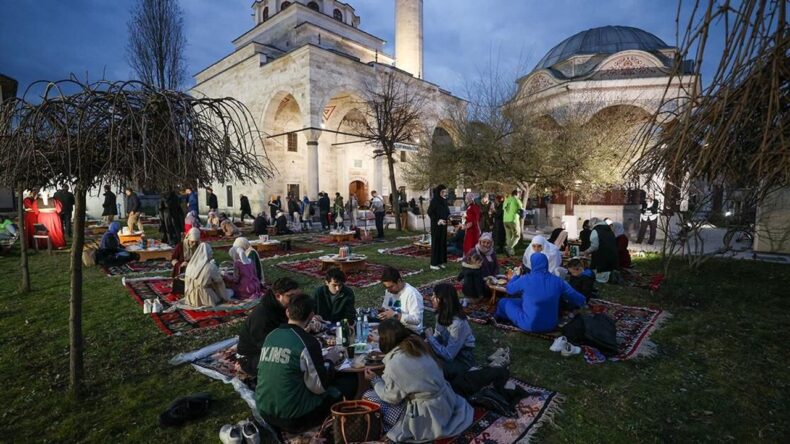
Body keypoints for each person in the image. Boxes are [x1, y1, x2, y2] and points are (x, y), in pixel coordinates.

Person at [256, 294, 357, 433]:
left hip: (264, 411)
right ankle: (349, 422)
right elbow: (319, 387)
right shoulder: (307, 342)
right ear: (311, 316)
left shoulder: (271, 335)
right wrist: (330, 360)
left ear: (287, 312)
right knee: (350, 380)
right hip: (296, 418)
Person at [362, 319, 473, 442]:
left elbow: (391, 398)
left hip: (428, 415)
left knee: (368, 396)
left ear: (385, 341)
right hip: (446, 402)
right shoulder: (417, 344)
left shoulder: (395, 363)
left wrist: (375, 380)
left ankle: (387, 426)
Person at [495, 253, 586, 332]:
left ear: (532, 264)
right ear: (546, 263)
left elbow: (509, 289)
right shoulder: (558, 281)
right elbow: (578, 298)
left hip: (529, 325)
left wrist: (516, 276)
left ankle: (499, 318)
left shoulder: (526, 279)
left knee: (503, 302)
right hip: (551, 325)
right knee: (521, 301)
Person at [237, 277, 300, 375]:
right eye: (290, 296)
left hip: (275, 343)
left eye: (296, 295)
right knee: (290, 364)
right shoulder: (262, 315)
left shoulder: (283, 306)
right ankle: (245, 368)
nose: (295, 299)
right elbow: (266, 345)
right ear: (278, 296)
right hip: (254, 354)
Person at [425, 283, 476, 379]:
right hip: (447, 350)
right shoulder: (441, 314)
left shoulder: (457, 324)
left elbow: (449, 356)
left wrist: (431, 339)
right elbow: (438, 335)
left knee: (433, 369)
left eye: (435, 296)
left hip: (462, 359)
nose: (431, 298)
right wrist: (428, 342)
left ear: (444, 301)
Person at [183, 243, 234, 308]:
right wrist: (225, 297)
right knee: (230, 292)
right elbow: (219, 283)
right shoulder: (211, 267)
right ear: (207, 253)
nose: (212, 254)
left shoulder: (190, 265)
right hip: (205, 297)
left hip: (190, 297)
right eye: (211, 252)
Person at [379, 266, 424, 334]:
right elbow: (386, 308)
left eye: (391, 287)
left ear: (399, 281)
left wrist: (396, 316)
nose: (388, 290)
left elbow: (417, 320)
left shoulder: (412, 294)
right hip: (393, 326)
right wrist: (382, 312)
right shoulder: (389, 291)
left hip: (410, 331)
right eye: (386, 287)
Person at [581, 218, 619, 283]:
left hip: (602, 255)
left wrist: (586, 252)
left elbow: (594, 246)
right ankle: (612, 275)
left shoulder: (595, 231)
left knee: (600, 274)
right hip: (612, 254)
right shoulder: (609, 230)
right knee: (609, 268)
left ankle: (610, 277)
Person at [427, 185, 450, 270]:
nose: (444, 193)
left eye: (444, 192)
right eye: (442, 192)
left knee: (442, 243)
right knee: (436, 244)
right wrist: (438, 220)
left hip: (443, 225)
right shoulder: (434, 201)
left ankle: (440, 262)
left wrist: (447, 218)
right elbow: (430, 212)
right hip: (436, 226)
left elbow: (447, 211)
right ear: (438, 192)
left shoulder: (444, 200)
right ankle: (433, 263)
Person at [503, 189, 523, 256]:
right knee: (517, 236)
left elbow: (504, 208)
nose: (520, 195)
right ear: (517, 194)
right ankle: (508, 248)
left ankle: (510, 253)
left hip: (505, 220)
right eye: (520, 194)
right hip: (513, 220)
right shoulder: (517, 200)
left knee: (509, 237)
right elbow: (522, 211)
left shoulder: (507, 200)